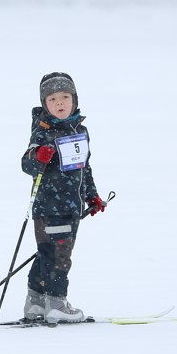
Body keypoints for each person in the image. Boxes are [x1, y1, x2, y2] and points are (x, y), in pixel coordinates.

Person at [20, 72, 106, 323]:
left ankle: (36, 301)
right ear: (45, 104)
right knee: (58, 255)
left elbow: (84, 168)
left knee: (46, 253)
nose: (60, 103)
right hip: (49, 205)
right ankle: (56, 303)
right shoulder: (43, 131)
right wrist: (38, 156)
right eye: (53, 99)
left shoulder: (80, 131)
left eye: (65, 97)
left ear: (74, 100)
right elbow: (27, 163)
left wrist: (92, 196)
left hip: (70, 206)